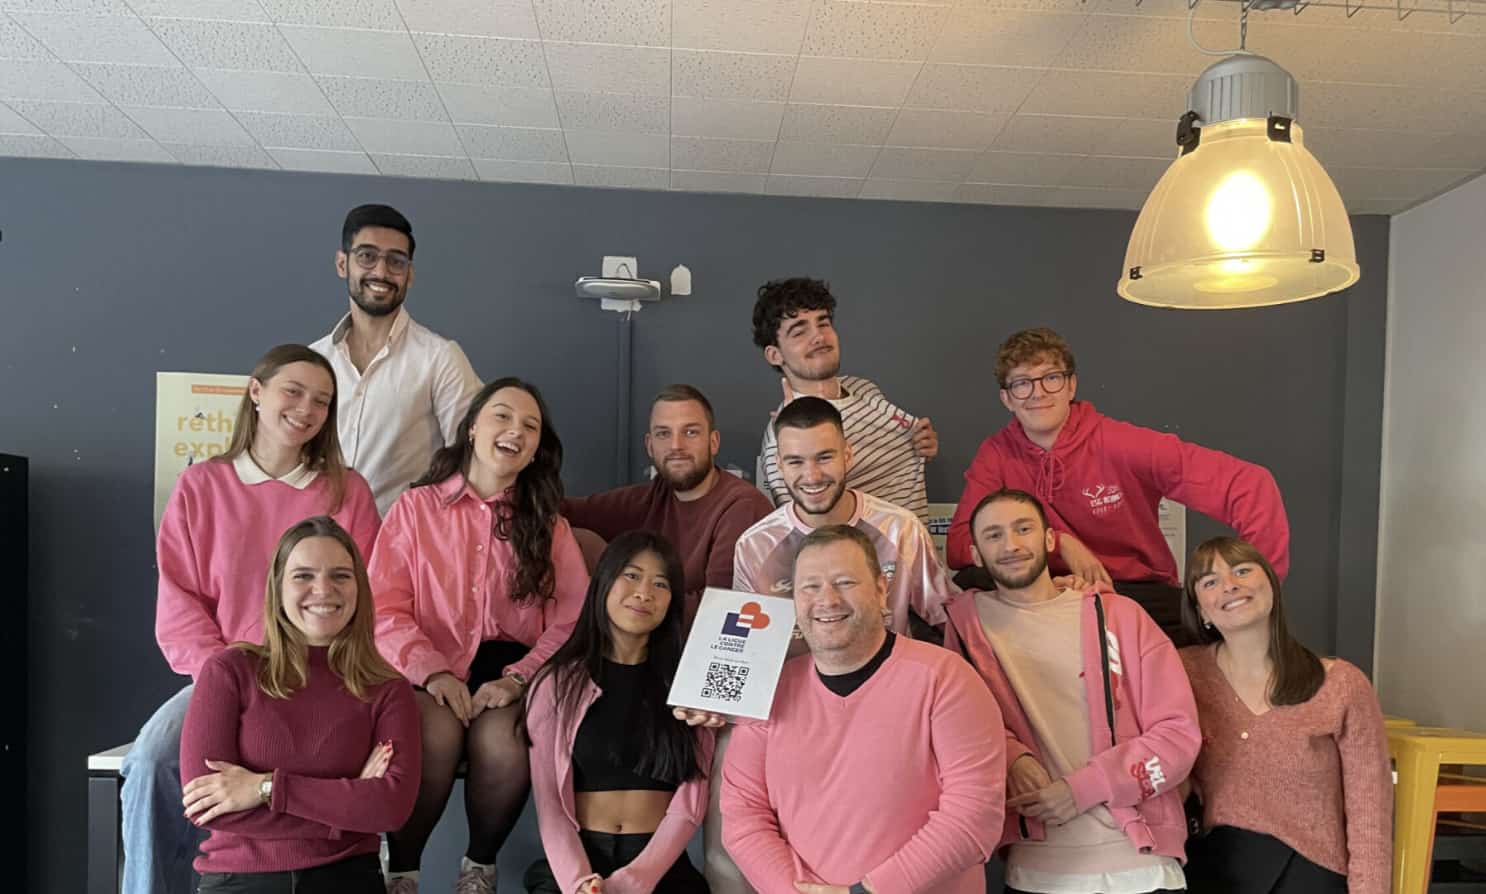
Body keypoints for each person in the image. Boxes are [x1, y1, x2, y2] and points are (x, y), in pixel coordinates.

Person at [123, 344, 380, 894]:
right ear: (256, 393)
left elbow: (363, 595)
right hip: (226, 675)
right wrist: (227, 679)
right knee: (151, 762)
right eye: (294, 391)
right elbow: (180, 600)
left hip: (324, 675)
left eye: (322, 401)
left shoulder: (347, 491)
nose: (307, 409)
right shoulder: (201, 486)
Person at [705, 397, 959, 894]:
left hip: (888, 709)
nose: (811, 474)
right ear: (779, 466)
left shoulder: (899, 530)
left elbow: (950, 618)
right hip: (792, 711)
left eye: (824, 457)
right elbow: (741, 647)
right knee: (725, 813)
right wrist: (714, 701)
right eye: (795, 461)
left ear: (848, 454)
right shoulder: (756, 545)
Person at [371, 377, 590, 894]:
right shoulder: (416, 509)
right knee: (434, 736)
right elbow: (383, 607)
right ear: (471, 428)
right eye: (502, 416)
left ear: (537, 448)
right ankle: (401, 870)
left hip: (509, 672)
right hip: (427, 665)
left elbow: (573, 619)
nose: (516, 430)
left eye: (530, 426)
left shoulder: (549, 525)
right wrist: (431, 669)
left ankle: (479, 870)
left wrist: (518, 679)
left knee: (505, 744)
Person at [945, 327, 1289, 644]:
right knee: (968, 585)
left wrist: (1256, 594)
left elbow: (1249, 485)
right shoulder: (995, 454)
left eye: (1050, 378)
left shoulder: (1121, 443)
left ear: (1071, 386)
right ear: (1007, 398)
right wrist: (1059, 544)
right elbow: (962, 547)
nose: (1037, 393)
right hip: (1044, 595)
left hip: (1134, 594)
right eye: (1022, 383)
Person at [722, 525, 1005, 894]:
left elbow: (974, 815)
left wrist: (869, 891)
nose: (827, 599)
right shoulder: (769, 693)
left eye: (844, 582)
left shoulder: (945, 679)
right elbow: (743, 815)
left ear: (881, 589)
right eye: (810, 586)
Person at [944, 488, 1201, 894]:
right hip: (1035, 871)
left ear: (1049, 540)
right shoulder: (963, 628)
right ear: (976, 554)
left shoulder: (1120, 616)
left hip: (1140, 865)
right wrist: (1012, 758)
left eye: (1022, 528)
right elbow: (961, 727)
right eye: (993, 535)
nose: (1010, 544)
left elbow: (1178, 736)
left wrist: (1080, 790)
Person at [180, 516, 420, 893]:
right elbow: (204, 804)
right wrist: (349, 802)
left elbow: (391, 809)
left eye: (341, 575)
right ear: (277, 587)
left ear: (360, 588)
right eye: (303, 575)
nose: (323, 589)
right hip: (240, 882)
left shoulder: (388, 689)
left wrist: (263, 789)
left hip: (346, 880)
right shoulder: (230, 671)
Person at [1179, 537, 1391, 894]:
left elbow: (1370, 810)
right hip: (1214, 867)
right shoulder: (1179, 672)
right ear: (1200, 609)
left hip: (1311, 871)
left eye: (1242, 570)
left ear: (1272, 587)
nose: (1230, 584)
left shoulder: (1341, 684)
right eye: (1210, 581)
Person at [523, 531, 714, 894]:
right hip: (577, 865)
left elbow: (691, 802)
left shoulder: (689, 684)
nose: (644, 592)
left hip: (659, 867)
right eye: (631, 575)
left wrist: (635, 880)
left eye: (661, 583)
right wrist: (578, 882)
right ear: (603, 582)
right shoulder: (556, 683)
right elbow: (549, 803)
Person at [311, 203, 482, 514]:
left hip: (402, 548)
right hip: (319, 545)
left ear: (410, 274)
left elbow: (475, 458)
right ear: (342, 263)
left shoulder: (440, 359)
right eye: (367, 256)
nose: (381, 272)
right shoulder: (314, 361)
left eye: (396, 262)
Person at [563, 384, 772, 628]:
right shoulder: (653, 496)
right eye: (664, 433)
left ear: (713, 442)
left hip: (701, 652)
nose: (676, 446)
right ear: (650, 445)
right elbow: (570, 511)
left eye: (690, 432)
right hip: (647, 643)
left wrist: (624, 600)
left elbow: (721, 609)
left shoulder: (741, 506)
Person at [752, 277, 938, 523]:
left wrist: (921, 445)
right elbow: (808, 529)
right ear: (775, 355)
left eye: (824, 323)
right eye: (799, 331)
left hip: (915, 550)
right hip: (864, 559)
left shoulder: (863, 388)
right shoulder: (784, 438)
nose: (818, 337)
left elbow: (890, 454)